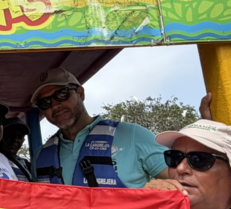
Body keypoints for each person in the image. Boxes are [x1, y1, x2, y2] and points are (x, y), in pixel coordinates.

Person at [30, 68, 172, 189]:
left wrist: (158, 187)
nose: (54, 106)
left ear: (80, 93)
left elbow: (184, 183)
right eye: (44, 102)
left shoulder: (132, 134)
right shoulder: (40, 157)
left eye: (61, 94)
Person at [0, 117, 34, 181]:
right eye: (10, 134)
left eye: (20, 137)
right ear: (1, 136)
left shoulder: (26, 164)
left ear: (23, 141)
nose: (15, 139)